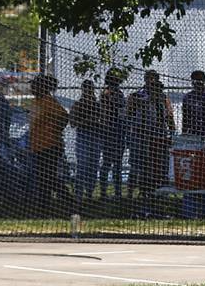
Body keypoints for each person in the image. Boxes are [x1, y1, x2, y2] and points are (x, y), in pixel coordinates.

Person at [126, 70, 175, 212]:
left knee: (159, 167)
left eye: (156, 83)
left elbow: (169, 118)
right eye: (150, 81)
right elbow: (129, 114)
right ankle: (131, 194)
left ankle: (158, 195)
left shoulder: (163, 99)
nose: (154, 87)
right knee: (137, 166)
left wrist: (172, 133)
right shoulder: (136, 97)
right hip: (140, 137)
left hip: (159, 138)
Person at [29, 74, 69, 215]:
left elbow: (64, 116)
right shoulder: (36, 101)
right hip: (38, 145)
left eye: (34, 85)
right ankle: (44, 206)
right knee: (43, 177)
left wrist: (54, 130)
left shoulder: (48, 101)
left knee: (48, 177)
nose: (32, 88)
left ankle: (66, 201)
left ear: (42, 87)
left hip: (50, 146)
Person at [70, 79, 103, 207]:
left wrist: (96, 121)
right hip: (83, 137)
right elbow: (73, 122)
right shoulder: (78, 105)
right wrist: (87, 121)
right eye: (86, 89)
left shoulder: (97, 105)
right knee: (82, 166)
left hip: (96, 137)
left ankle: (89, 194)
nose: (89, 92)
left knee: (93, 166)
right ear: (83, 90)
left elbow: (103, 121)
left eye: (91, 89)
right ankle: (78, 195)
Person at [98, 68, 126, 199]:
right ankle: (103, 193)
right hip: (109, 131)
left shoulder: (119, 93)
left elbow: (122, 112)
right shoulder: (106, 93)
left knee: (118, 164)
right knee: (108, 162)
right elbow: (104, 113)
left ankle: (118, 192)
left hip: (119, 131)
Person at [181, 70, 205, 139]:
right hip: (194, 132)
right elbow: (185, 117)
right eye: (195, 80)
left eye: (200, 80)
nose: (198, 83)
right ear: (192, 82)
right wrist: (184, 132)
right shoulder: (188, 97)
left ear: (204, 80)